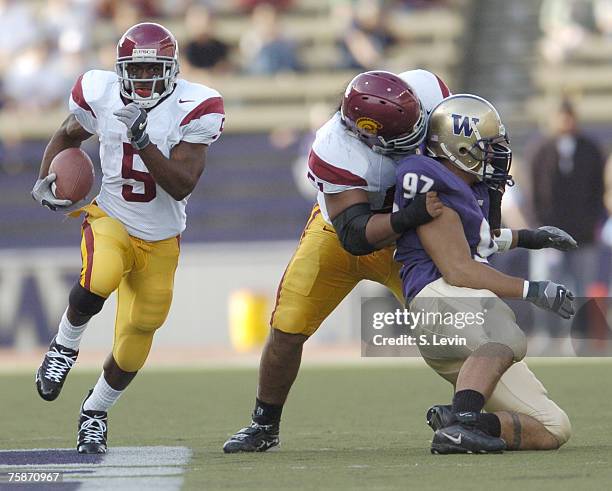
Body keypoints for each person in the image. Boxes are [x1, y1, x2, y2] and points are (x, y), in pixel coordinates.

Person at [222, 69, 450, 453]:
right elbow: (355, 236)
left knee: (454, 320)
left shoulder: (429, 92)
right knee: (287, 326)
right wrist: (409, 216)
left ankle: (472, 408)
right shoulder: (333, 147)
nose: (415, 136)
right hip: (343, 236)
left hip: (409, 237)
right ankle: (264, 423)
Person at [31, 22, 225, 454]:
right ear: (119, 69)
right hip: (112, 216)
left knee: (139, 334)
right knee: (100, 274)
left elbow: (182, 184)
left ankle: (94, 412)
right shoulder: (99, 91)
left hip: (162, 236)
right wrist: (47, 177)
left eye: (149, 71)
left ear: (172, 70)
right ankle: (64, 347)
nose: (141, 80)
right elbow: (68, 133)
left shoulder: (197, 104)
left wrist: (143, 140)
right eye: (133, 71)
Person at [394, 94, 576, 453]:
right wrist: (533, 289)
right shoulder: (429, 179)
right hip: (437, 298)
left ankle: (466, 420)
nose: (497, 155)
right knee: (505, 334)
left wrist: (530, 238)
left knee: (554, 427)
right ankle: (460, 427)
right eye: (488, 147)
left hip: (462, 326)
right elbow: (460, 268)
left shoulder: (470, 188)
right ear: (458, 145)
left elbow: (476, 241)